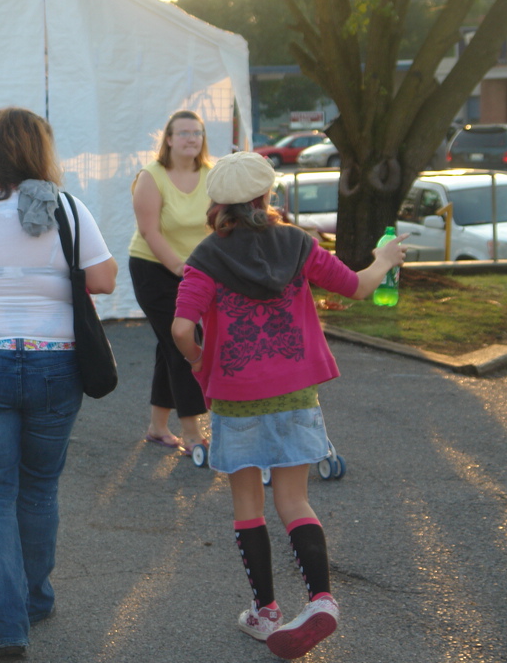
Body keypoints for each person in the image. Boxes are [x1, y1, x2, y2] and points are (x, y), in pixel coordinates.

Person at [171, 152, 408, 660]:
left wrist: (197, 364)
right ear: (266, 197)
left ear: (217, 204)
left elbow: (180, 329)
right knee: (295, 501)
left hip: (235, 397)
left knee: (247, 508)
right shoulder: (301, 245)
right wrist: (385, 260)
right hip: (296, 390)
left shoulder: (205, 259)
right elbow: (359, 286)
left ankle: (266, 612)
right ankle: (321, 600)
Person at [0, 107, 117, 659]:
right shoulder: (68, 208)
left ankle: (6, 628)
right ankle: (35, 599)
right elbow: (104, 279)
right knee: (39, 487)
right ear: (42, 152)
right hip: (55, 359)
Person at [129, 110, 213, 452]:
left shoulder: (213, 174)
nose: (192, 138)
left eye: (197, 132)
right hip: (155, 269)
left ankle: (157, 427)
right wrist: (180, 268)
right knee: (184, 344)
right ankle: (193, 433)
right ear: (168, 139)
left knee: (170, 344)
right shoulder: (152, 176)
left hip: (197, 272)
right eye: (184, 133)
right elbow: (150, 231)